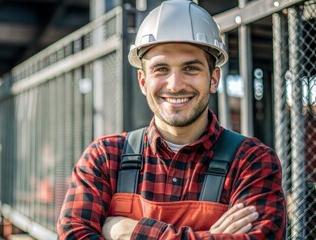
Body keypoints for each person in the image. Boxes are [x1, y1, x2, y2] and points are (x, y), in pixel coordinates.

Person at [57, 0, 286, 239]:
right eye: (161, 69)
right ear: (143, 81)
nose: (175, 85)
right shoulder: (105, 157)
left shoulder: (252, 162)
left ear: (214, 78)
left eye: (190, 69)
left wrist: (132, 231)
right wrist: (209, 235)